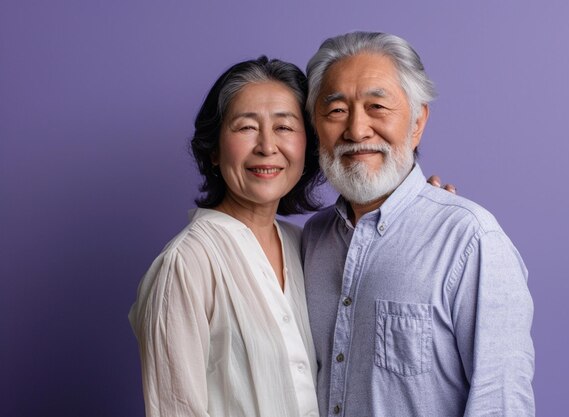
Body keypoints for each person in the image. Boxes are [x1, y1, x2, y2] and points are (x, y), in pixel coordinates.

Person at [301, 31, 535, 416]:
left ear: (417, 121)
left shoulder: (470, 240)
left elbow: (501, 404)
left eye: (377, 106)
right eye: (337, 110)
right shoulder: (311, 240)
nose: (357, 131)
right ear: (316, 127)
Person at [129, 56, 324, 417]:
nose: (267, 146)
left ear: (307, 146)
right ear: (214, 150)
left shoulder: (308, 246)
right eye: (246, 127)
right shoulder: (186, 263)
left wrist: (424, 212)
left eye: (284, 127)